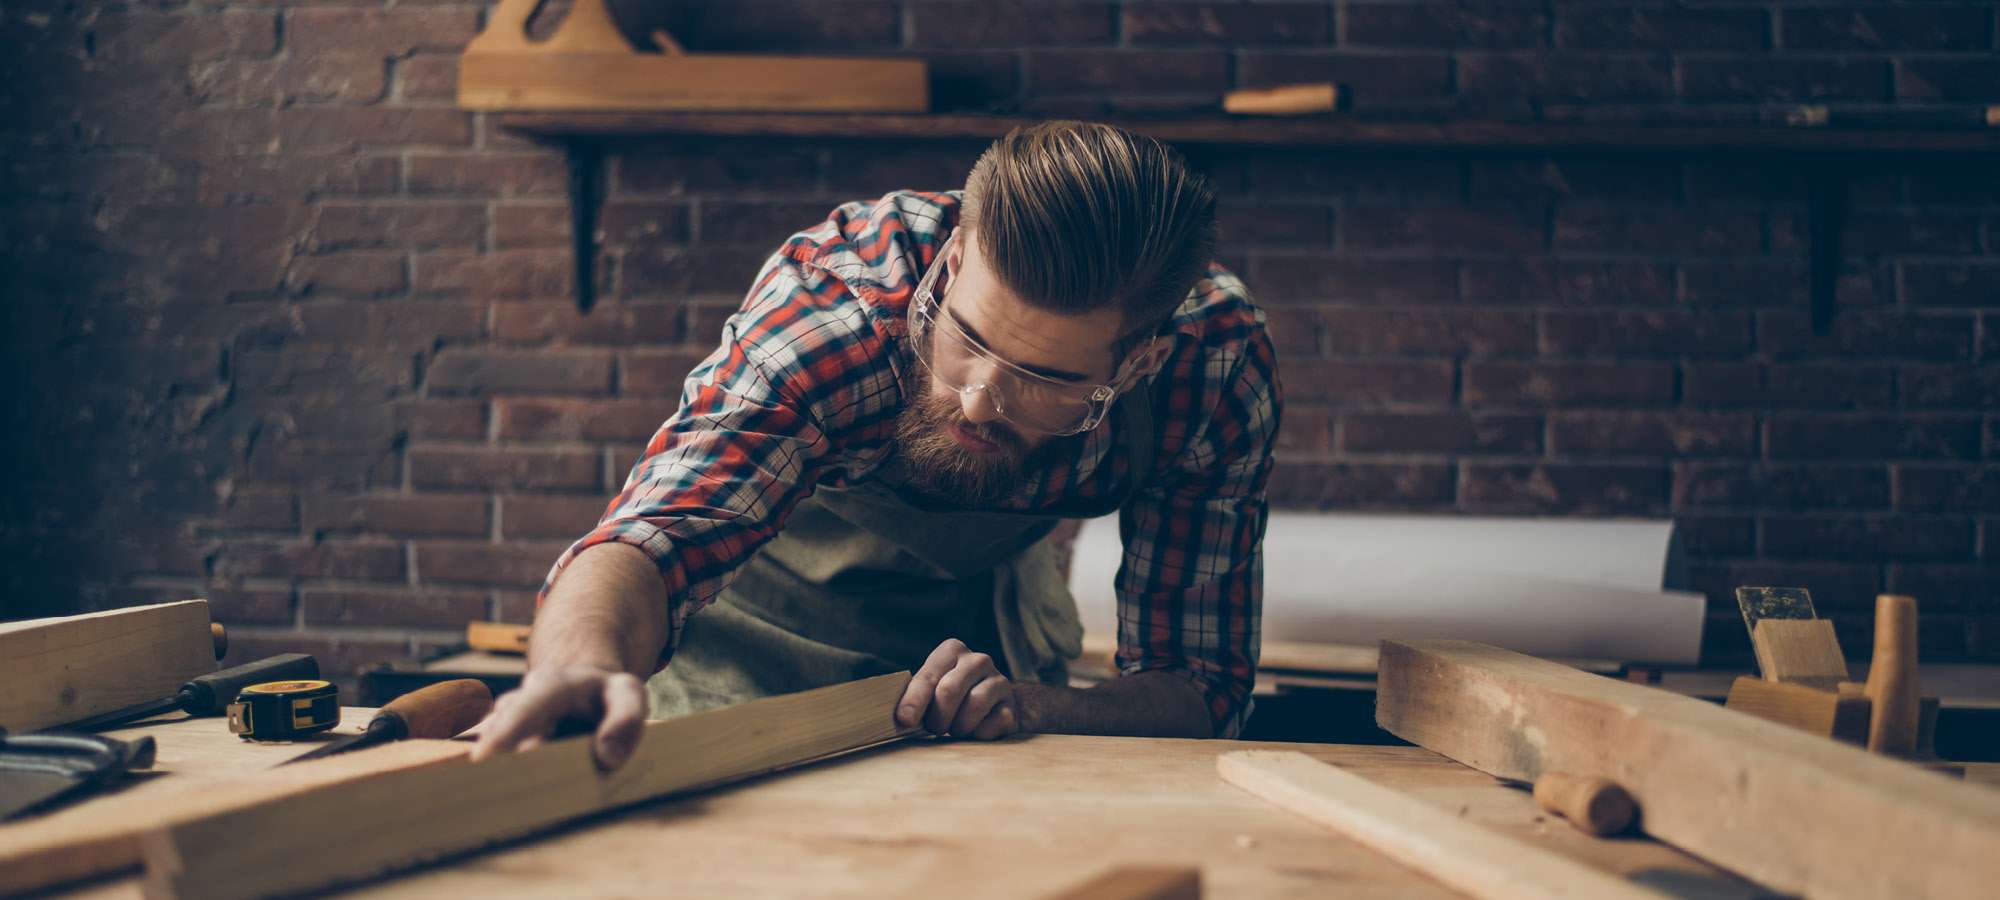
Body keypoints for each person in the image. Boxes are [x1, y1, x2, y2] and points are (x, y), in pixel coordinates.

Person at [471, 121, 1281, 769]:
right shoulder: (836, 315)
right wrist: (580, 665)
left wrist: (1035, 705)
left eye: (1041, 379)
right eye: (965, 338)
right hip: (749, 640)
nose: (977, 398)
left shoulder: (1213, 371)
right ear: (956, 259)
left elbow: (1201, 686)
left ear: (1141, 362)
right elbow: (653, 538)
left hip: (965, 654)